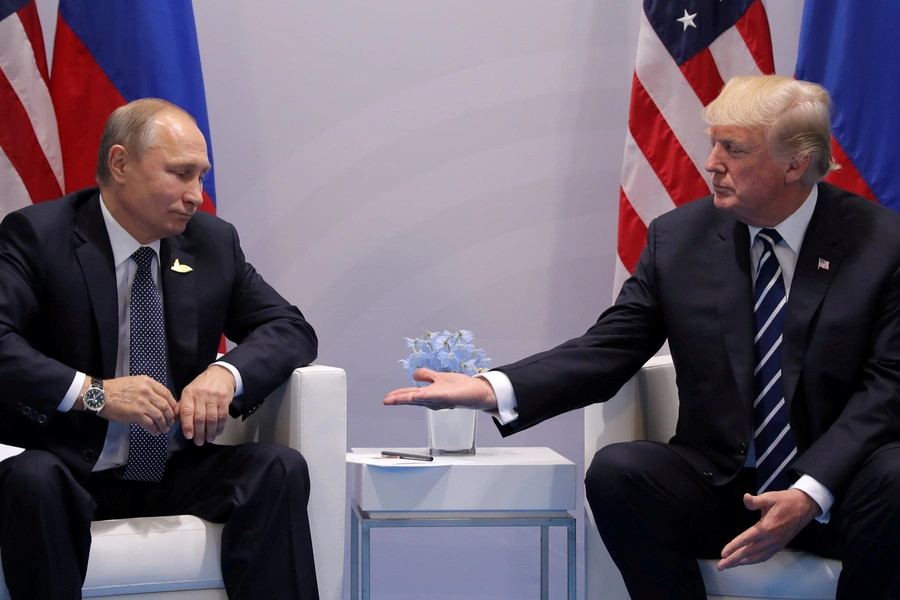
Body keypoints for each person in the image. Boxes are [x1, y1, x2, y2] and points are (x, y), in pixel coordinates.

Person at [384, 75, 900, 599]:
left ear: (795, 163)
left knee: (898, 474)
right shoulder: (680, 238)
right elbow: (611, 346)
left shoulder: (881, 244)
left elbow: (888, 387)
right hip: (723, 485)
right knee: (619, 471)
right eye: (713, 142)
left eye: (734, 148)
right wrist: (491, 388)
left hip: (841, 489)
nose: (711, 162)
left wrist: (810, 491)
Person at [0, 98, 320, 600]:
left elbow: (290, 328)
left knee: (277, 468)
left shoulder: (212, 242)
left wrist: (226, 374)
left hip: (172, 468)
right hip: (68, 466)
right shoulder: (39, 236)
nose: (196, 195)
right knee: (31, 478)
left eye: (201, 177)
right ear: (121, 164)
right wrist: (98, 394)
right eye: (181, 174)